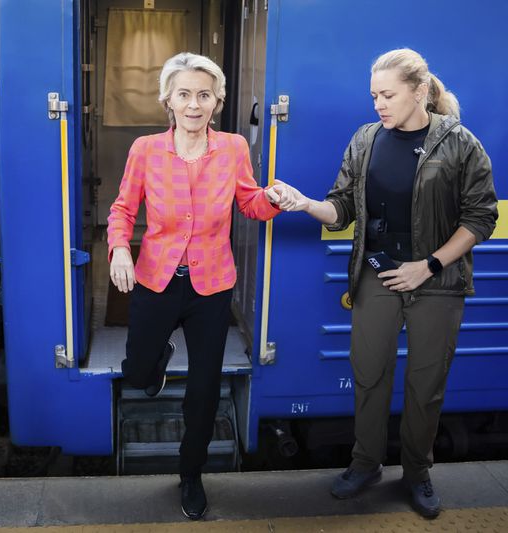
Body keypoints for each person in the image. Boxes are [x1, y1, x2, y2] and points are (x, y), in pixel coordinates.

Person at [274, 48, 498, 519]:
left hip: (437, 282)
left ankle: (417, 472)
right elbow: (342, 208)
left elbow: (481, 218)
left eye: (388, 94)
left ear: (419, 91)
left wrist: (429, 265)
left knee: (426, 383)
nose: (378, 104)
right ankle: (366, 464)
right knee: (369, 373)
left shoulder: (460, 143)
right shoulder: (365, 139)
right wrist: (304, 203)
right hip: (378, 274)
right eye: (374, 94)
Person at [107, 52, 287, 520]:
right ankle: (157, 360)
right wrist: (121, 249)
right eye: (183, 94)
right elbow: (123, 209)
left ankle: (191, 473)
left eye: (203, 95)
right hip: (156, 279)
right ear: (167, 99)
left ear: (217, 101)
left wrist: (272, 198)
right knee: (138, 373)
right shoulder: (146, 150)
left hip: (211, 286)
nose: (193, 104)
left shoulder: (232, 149)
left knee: (204, 388)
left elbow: (249, 203)